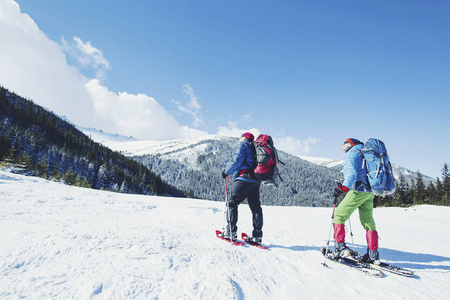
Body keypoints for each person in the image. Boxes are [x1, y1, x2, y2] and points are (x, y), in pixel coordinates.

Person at [332, 138, 380, 264]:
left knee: (338, 216)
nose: (343, 143)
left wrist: (344, 187)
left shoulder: (352, 153)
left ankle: (340, 248)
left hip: (357, 191)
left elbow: (352, 173)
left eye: (346, 141)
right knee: (368, 221)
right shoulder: (365, 154)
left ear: (352, 144)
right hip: (369, 193)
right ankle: (373, 254)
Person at [221, 132, 263, 244]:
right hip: (255, 181)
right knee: (256, 208)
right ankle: (257, 236)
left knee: (232, 203)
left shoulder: (243, 145)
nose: (239, 139)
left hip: (243, 180)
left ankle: (231, 232)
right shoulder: (256, 148)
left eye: (240, 137)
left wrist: (226, 172)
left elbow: (237, 161)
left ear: (244, 137)